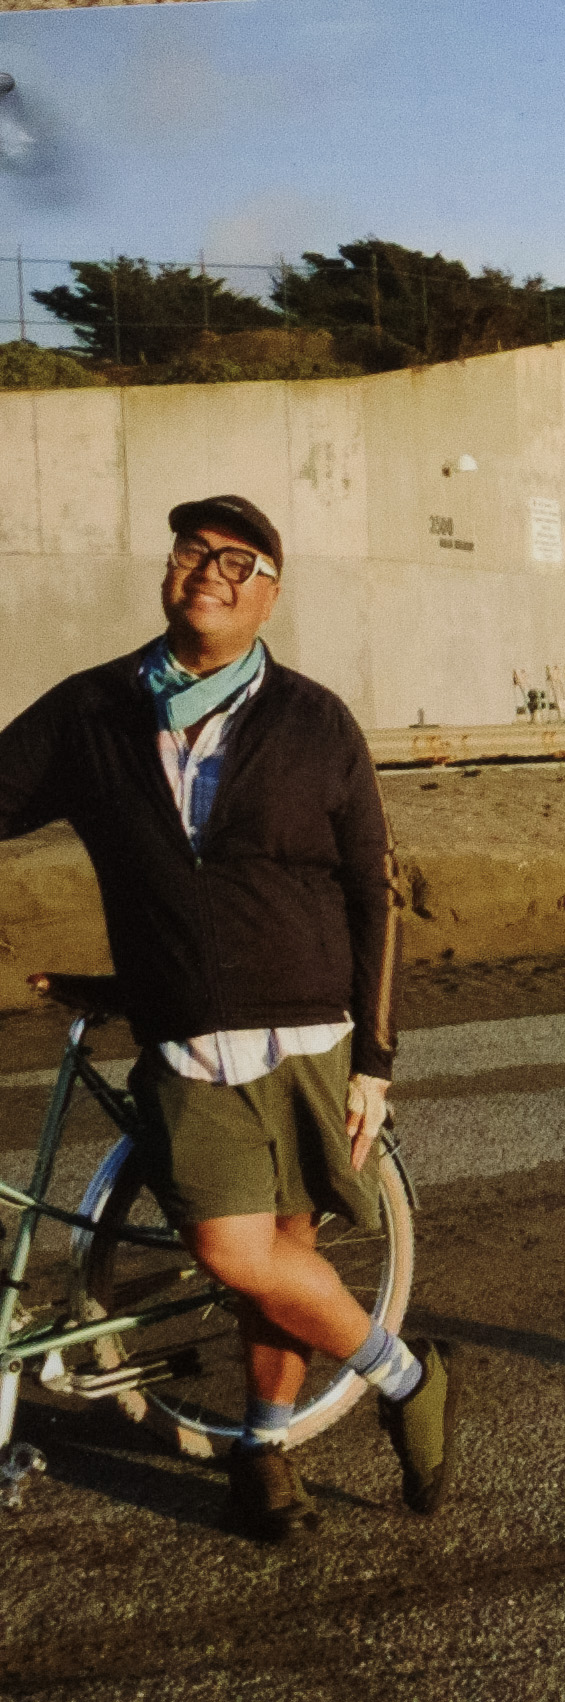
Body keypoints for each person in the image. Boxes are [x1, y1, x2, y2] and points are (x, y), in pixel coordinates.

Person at [0, 497, 444, 1540]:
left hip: (314, 1036)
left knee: (284, 1257)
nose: (212, 570)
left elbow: (374, 890)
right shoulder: (96, 710)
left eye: (239, 561)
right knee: (236, 1249)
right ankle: (407, 1375)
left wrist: (374, 1060)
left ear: (271, 594)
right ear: (169, 572)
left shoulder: (315, 719)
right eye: (195, 552)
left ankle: (264, 1455)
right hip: (189, 1040)